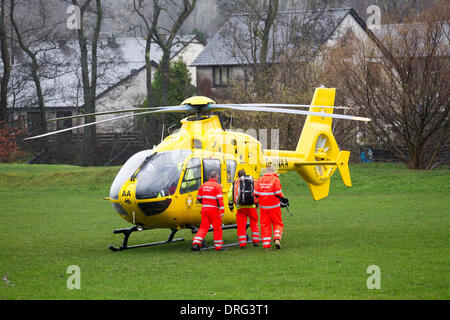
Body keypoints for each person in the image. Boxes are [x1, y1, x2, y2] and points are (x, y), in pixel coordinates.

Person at [254, 166, 287, 250]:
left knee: (265, 225)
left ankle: (266, 246)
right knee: (277, 223)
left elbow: (256, 194)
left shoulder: (260, 179)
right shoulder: (275, 179)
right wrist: (283, 197)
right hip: (274, 206)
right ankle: (277, 238)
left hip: (263, 207)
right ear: (273, 171)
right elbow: (278, 193)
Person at [191, 170, 225, 251]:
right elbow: (220, 199)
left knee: (203, 227)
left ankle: (196, 243)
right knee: (217, 228)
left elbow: (198, 198)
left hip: (204, 209)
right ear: (217, 177)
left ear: (209, 177)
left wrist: (205, 204)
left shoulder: (203, 185)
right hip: (214, 210)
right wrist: (222, 211)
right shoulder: (217, 186)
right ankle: (218, 246)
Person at [228, 169, 260, 248]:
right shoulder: (252, 180)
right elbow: (257, 191)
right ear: (245, 174)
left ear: (238, 176)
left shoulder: (235, 182)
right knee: (254, 223)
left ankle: (242, 244)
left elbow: (230, 195)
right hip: (251, 207)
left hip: (240, 207)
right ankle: (256, 241)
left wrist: (231, 206)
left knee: (241, 226)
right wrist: (256, 203)